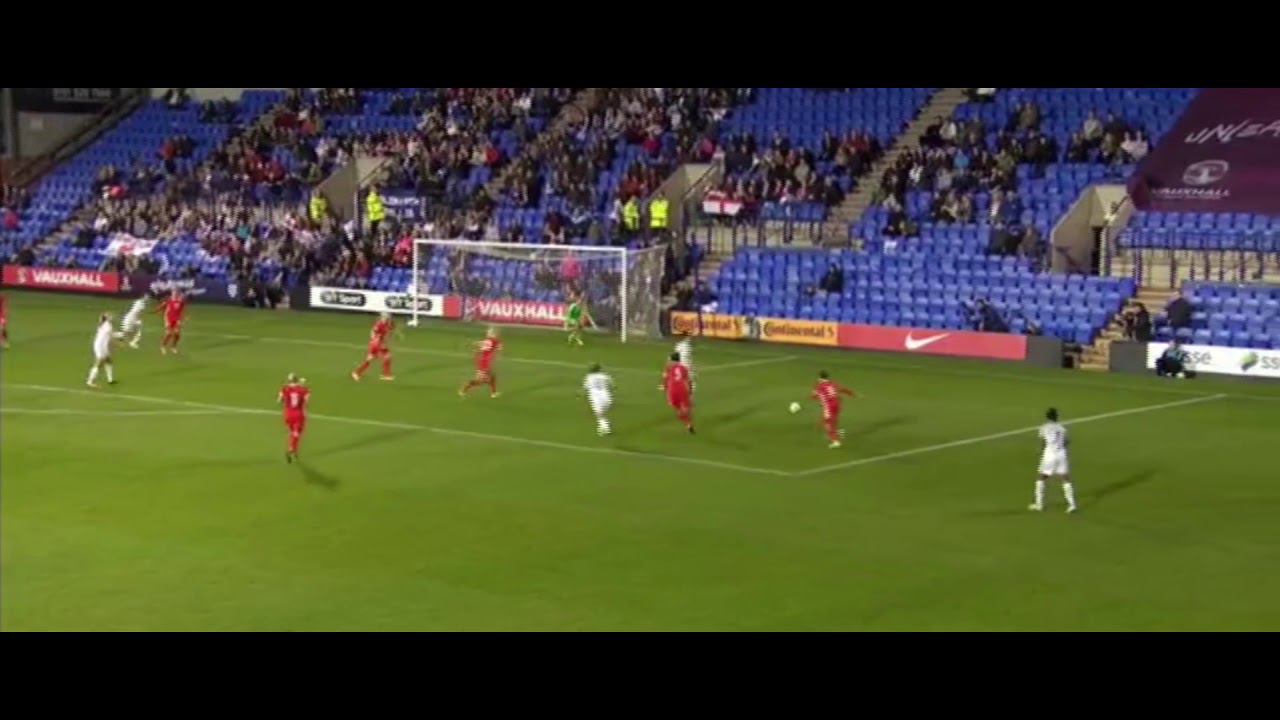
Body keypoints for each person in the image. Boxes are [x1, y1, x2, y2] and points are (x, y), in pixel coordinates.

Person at [1030, 408, 1077, 514]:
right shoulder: (1061, 428)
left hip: (1049, 454)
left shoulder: (1044, 427)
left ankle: (1039, 504)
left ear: (1047, 417)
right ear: (1056, 416)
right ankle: (1072, 505)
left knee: (1042, 478)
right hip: (1061, 454)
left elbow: (1043, 442)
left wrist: (1041, 452)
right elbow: (1067, 441)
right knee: (1065, 477)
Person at [812, 370, 855, 449]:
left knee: (828, 424)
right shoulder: (833, 383)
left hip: (829, 406)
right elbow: (843, 389)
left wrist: (817, 398)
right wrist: (851, 393)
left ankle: (835, 441)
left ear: (820, 378)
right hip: (837, 404)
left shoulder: (819, 386)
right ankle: (836, 433)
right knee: (832, 421)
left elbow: (814, 396)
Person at [352, 312, 399, 382]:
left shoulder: (389, 323)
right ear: (382, 317)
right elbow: (373, 332)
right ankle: (356, 373)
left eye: (387, 317)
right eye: (384, 317)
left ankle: (387, 375)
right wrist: (375, 340)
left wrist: (392, 332)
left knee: (387, 357)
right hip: (376, 344)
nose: (385, 318)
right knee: (370, 359)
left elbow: (391, 329)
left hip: (382, 343)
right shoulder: (379, 324)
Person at [459, 327, 502, 398]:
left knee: (492, 377)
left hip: (483, 360)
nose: (488, 334)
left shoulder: (488, 341)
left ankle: (494, 393)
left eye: (489, 333)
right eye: (489, 332)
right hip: (484, 362)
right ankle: (463, 390)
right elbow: (497, 349)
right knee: (480, 381)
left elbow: (481, 347)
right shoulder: (495, 341)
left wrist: (476, 345)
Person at [279, 373, 310, 463]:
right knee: (297, 433)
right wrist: (302, 387)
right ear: (297, 380)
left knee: (292, 432)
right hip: (299, 414)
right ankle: (291, 449)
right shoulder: (304, 390)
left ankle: (294, 451)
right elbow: (306, 401)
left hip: (288, 414)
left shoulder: (285, 389)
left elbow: (279, 400)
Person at [662, 351, 695, 434]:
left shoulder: (668, 367)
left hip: (672, 390)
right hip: (682, 389)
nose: (668, 361)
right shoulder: (684, 368)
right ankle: (688, 423)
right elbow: (689, 381)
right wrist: (690, 393)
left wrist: (665, 388)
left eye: (669, 359)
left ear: (673, 360)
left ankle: (686, 421)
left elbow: (665, 379)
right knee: (686, 408)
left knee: (679, 410)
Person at [582, 362, 615, 437]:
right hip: (607, 397)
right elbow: (613, 386)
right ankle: (604, 427)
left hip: (596, 399)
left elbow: (585, 388)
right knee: (602, 414)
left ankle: (606, 429)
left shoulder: (589, 377)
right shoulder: (605, 376)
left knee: (600, 415)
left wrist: (579, 395)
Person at [87, 312, 117, 388]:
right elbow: (111, 337)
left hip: (103, 346)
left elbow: (110, 335)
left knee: (108, 360)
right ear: (107, 318)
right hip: (99, 346)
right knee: (99, 363)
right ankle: (90, 381)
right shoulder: (108, 326)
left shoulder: (105, 324)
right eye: (110, 316)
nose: (112, 317)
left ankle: (110, 380)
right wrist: (119, 343)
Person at [156, 289, 187, 355]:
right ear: (172, 294)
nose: (175, 294)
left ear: (178, 294)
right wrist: (158, 310)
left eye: (176, 293)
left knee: (177, 334)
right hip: (169, 318)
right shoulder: (169, 300)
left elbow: (182, 310)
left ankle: (173, 347)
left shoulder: (181, 301)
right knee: (169, 334)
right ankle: (163, 346)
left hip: (177, 319)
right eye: (174, 293)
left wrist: (182, 319)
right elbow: (162, 306)